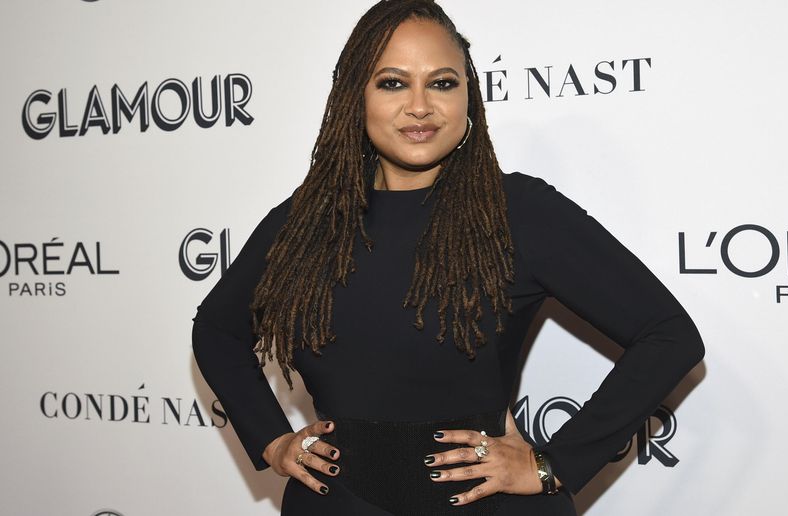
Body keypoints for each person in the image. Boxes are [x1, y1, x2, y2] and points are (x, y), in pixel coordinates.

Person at [191, 1, 705, 514]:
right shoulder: (305, 220)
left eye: (441, 83)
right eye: (392, 83)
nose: (420, 106)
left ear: (468, 96)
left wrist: (554, 464)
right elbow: (217, 331)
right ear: (355, 97)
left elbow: (668, 335)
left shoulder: (517, 211)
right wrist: (272, 440)